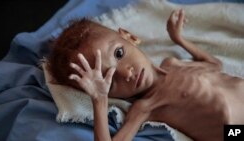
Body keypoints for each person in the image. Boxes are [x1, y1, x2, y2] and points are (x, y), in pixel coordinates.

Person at [47, 9, 244, 141]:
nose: (126, 74)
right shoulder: (145, 107)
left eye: (118, 54)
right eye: (110, 80)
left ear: (130, 37)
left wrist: (180, 39)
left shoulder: (172, 63)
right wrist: (100, 99)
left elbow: (214, 65)